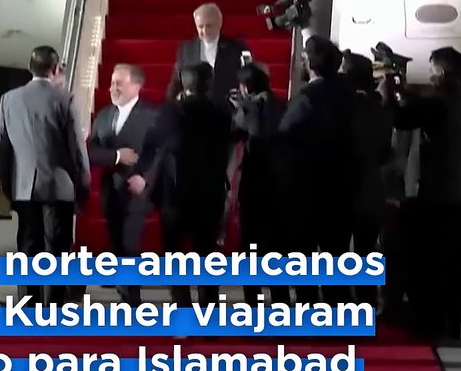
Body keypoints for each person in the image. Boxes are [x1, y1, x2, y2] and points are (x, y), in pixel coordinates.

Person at [385, 45, 461, 339]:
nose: (430, 77)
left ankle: (428, 319)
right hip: (460, 191)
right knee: (457, 259)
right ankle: (456, 319)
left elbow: (403, 118)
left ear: (441, 72)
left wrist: (390, 94)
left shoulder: (442, 101)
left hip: (437, 192)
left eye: (431, 71)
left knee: (427, 259)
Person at [0, 46, 89, 305]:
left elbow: (2, 147)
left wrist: (9, 186)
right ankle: (53, 309)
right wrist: (83, 187)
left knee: (27, 249)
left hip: (23, 187)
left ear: (30, 67)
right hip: (59, 187)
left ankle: (28, 307)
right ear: (56, 69)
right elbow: (76, 150)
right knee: (56, 253)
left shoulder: (9, 100)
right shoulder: (65, 99)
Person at [279, 36, 358, 305]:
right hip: (343, 186)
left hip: (309, 189)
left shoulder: (308, 98)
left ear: (311, 63)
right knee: (336, 257)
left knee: (305, 259)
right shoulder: (348, 94)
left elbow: (285, 136)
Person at [151, 62, 232, 306]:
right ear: (209, 83)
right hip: (210, 193)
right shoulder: (221, 113)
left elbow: (160, 147)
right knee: (207, 253)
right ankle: (209, 309)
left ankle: (182, 307)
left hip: (175, 194)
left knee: (174, 255)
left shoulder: (171, 112)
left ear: (183, 84)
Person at [87, 64, 160, 307]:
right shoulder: (104, 115)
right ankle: (125, 295)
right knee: (117, 243)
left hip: (138, 190)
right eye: (111, 83)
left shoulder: (152, 115)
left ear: (137, 85)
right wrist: (116, 156)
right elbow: (92, 150)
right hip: (111, 189)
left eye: (119, 83)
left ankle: (132, 300)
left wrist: (145, 178)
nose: (112, 88)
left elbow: (162, 151)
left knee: (130, 243)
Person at [231, 62, 290, 304]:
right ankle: (280, 301)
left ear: (245, 87)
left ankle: (253, 303)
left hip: (255, 184)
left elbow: (241, 131)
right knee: (277, 247)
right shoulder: (283, 104)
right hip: (280, 184)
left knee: (251, 247)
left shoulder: (248, 109)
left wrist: (240, 109)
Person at [342, 51, 393, 306]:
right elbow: (385, 151)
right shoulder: (378, 107)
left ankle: (344, 304)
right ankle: (368, 302)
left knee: (341, 251)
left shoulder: (346, 109)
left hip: (347, 189)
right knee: (366, 250)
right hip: (372, 189)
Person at [167, 3, 250, 104]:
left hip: (226, 108)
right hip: (195, 108)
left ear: (220, 23)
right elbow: (177, 81)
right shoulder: (186, 49)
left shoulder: (237, 48)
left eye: (209, 26)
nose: (205, 31)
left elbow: (247, 80)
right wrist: (170, 105)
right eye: (200, 26)